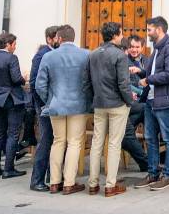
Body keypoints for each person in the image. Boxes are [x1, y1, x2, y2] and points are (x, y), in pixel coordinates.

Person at [36, 25, 93, 195]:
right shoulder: (85, 55)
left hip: (56, 105)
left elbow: (40, 84)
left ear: (59, 38)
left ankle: (54, 182)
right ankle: (69, 182)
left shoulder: (48, 56)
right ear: (73, 38)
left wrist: (50, 99)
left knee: (58, 141)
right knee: (74, 143)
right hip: (78, 105)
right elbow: (90, 81)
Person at [134, 16, 169, 192]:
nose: (147, 33)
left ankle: (168, 176)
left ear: (159, 29)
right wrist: (142, 72)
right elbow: (156, 71)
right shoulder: (157, 49)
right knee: (150, 138)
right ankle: (153, 174)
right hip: (151, 100)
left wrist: (148, 79)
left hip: (165, 100)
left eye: (149, 30)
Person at [87, 22, 134, 197]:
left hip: (99, 104)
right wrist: (129, 101)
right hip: (116, 104)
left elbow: (87, 82)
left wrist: (93, 99)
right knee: (114, 144)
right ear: (115, 35)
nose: (122, 36)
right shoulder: (120, 55)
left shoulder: (92, 54)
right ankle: (110, 185)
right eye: (121, 33)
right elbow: (123, 83)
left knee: (97, 143)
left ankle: (92, 184)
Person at [0, 32, 28, 179]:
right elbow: (16, 79)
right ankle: (9, 168)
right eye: (14, 44)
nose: (15, 47)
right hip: (13, 99)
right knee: (13, 133)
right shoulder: (12, 58)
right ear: (8, 44)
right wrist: (24, 79)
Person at [29, 26, 60, 192]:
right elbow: (35, 83)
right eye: (57, 38)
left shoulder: (52, 54)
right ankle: (37, 179)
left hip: (51, 104)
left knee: (54, 140)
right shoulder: (41, 55)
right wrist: (44, 104)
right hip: (44, 105)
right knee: (46, 140)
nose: (60, 41)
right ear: (50, 39)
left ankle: (51, 176)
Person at [124, 35, 149, 172]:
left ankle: (150, 158)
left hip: (143, 103)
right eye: (132, 47)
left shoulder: (148, 60)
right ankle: (148, 160)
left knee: (150, 114)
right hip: (132, 102)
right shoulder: (124, 61)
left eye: (137, 47)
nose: (134, 49)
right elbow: (128, 84)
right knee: (148, 112)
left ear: (142, 47)